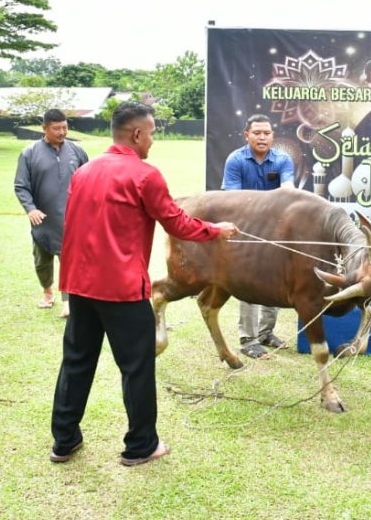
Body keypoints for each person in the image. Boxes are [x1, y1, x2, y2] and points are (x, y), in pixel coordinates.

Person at [49, 101, 237, 466]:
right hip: (120, 289)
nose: (152, 141)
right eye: (151, 133)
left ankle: (64, 441)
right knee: (137, 366)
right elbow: (178, 223)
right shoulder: (145, 175)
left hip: (81, 287)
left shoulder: (84, 171)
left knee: (76, 363)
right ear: (137, 134)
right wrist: (217, 230)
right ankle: (141, 445)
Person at [221, 113, 295, 359]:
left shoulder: (283, 160)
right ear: (247, 135)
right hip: (245, 231)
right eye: (257, 133)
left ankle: (266, 333)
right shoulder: (236, 160)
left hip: (275, 232)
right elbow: (232, 201)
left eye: (267, 133)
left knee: (275, 281)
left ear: (272, 135)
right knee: (250, 284)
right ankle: (248, 340)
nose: (262, 137)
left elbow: (288, 193)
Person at [14, 108, 89, 318]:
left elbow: (90, 180)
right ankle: (47, 291)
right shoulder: (29, 153)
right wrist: (31, 209)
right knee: (42, 261)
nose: (62, 132)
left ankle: (68, 301)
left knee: (69, 260)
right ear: (44, 128)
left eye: (65, 127)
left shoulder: (77, 151)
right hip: (43, 220)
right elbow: (21, 186)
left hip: (72, 219)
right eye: (57, 128)